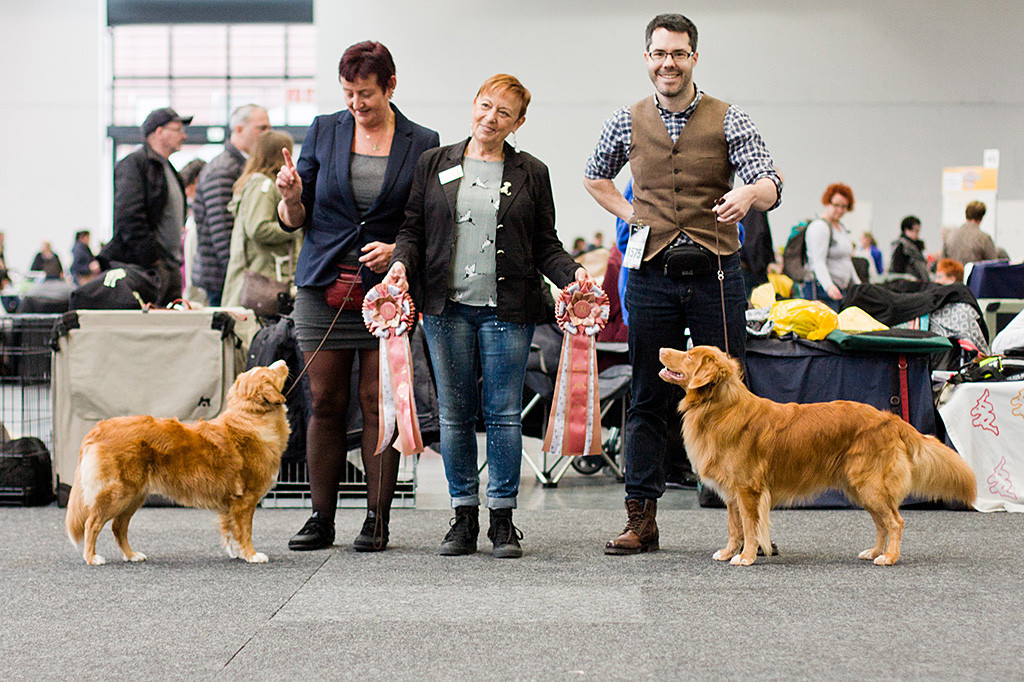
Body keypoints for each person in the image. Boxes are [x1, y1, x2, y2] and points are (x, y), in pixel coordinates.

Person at [583, 13, 781, 555]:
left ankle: (753, 526)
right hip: (650, 276)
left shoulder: (728, 117)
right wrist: (631, 210)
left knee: (737, 398)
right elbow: (592, 174)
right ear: (647, 58)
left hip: (717, 271)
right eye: (659, 53)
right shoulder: (626, 120)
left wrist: (748, 196)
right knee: (646, 393)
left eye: (679, 53)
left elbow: (770, 180)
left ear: (694, 57)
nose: (668, 63)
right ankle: (641, 519)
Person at [386, 74, 592, 559]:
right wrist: (399, 265)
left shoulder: (531, 172)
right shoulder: (434, 162)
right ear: (472, 105)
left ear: (518, 122)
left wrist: (574, 275)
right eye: (485, 105)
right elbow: (412, 230)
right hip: (444, 306)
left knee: (502, 414)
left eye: (504, 112)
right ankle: (462, 516)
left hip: (509, 309)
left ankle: (502, 519)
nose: (490, 118)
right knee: (455, 415)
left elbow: (546, 244)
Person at [276, 41, 439, 552]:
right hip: (323, 283)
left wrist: (396, 250)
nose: (356, 104)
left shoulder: (422, 141)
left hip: (386, 292)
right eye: (348, 93)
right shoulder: (324, 129)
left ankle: (377, 518)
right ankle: (319, 517)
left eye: (365, 94)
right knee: (324, 402)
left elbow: (425, 221)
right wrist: (291, 197)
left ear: (390, 87)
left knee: (378, 405)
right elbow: (295, 221)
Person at [99, 106, 192, 306]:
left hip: (169, 267)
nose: (183, 136)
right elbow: (129, 217)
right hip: (148, 269)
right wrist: (153, 260)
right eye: (177, 130)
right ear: (159, 132)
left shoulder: (169, 170)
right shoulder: (134, 165)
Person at [193, 105, 272, 306]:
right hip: (225, 281)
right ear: (238, 129)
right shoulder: (223, 171)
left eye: (269, 128)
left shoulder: (241, 167)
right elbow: (223, 233)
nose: (267, 134)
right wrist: (238, 278)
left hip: (237, 277)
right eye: (261, 128)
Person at [222, 131, 302, 308]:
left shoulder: (257, 183)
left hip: (260, 277)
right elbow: (258, 228)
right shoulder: (262, 185)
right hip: (262, 277)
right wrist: (295, 228)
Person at [801, 183, 859, 310]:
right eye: (836, 205)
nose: (840, 210)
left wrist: (858, 286)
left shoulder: (841, 228)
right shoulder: (820, 227)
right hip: (822, 291)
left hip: (839, 291)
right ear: (827, 202)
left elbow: (847, 260)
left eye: (844, 207)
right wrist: (829, 287)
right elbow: (818, 261)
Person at [889, 215, 930, 282]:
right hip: (908, 286)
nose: (918, 234)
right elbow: (897, 272)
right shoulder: (901, 247)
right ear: (907, 230)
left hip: (919, 285)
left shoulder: (917, 247)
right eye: (916, 231)